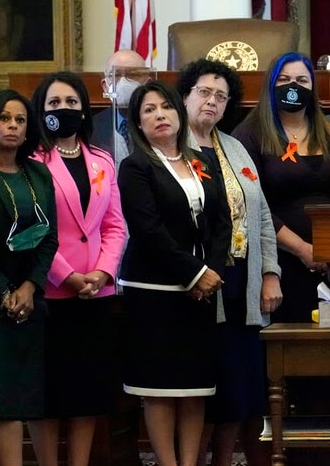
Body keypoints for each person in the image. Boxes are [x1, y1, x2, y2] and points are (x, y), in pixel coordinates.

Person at [175, 58, 283, 466]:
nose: (212, 102)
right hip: (197, 288)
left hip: (243, 285)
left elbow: (262, 216)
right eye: (204, 92)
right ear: (185, 96)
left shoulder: (235, 146)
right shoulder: (172, 146)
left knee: (237, 390)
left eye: (221, 96)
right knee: (205, 385)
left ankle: (223, 461)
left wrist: (270, 272)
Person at [118, 80, 231, 466]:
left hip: (199, 290)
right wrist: (196, 272)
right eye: (148, 110)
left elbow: (222, 222)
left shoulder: (203, 160)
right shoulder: (134, 167)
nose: (159, 115)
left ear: (179, 114)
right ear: (138, 123)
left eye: (165, 106)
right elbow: (148, 231)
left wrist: (211, 272)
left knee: (195, 387)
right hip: (154, 290)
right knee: (160, 389)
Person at [25, 72, 126, 466]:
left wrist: (102, 272)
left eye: (71, 103)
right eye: (54, 104)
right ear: (41, 111)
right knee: (49, 393)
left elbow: (114, 225)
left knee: (88, 391)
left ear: (84, 109)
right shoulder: (32, 161)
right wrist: (66, 275)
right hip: (51, 293)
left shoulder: (102, 160)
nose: (63, 110)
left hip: (95, 294)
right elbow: (34, 227)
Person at [234, 51, 330, 325]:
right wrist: (302, 248)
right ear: (271, 85)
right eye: (285, 79)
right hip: (281, 265)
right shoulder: (249, 134)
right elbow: (251, 204)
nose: (294, 87)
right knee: (291, 349)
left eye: (302, 80)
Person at [0, 89, 57, 466]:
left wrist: (31, 287)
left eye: (19, 119)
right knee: (0, 401)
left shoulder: (37, 172)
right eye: (3, 118)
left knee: (15, 402)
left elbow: (50, 237)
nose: (13, 126)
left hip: (27, 303)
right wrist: (4, 291)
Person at [91, 49, 150, 165]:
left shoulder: (159, 124)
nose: (123, 82)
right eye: (116, 75)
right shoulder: (91, 127)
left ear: (147, 84)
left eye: (132, 75)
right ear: (105, 87)